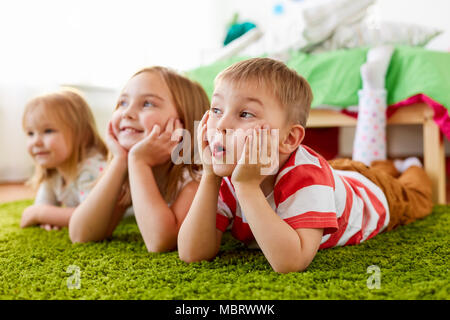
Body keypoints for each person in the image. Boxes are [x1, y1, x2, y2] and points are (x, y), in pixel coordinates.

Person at [177, 57, 433, 273]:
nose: (220, 125)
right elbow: (192, 253)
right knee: (365, 166)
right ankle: (382, 165)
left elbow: (291, 262)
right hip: (337, 174)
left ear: (288, 138)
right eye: (217, 109)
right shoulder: (227, 170)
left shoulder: (307, 178)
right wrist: (210, 175)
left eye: (245, 114)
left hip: (373, 193)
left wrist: (247, 187)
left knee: (415, 192)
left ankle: (410, 165)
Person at [68, 66, 209, 253]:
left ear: (183, 122)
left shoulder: (196, 179)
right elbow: (81, 234)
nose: (127, 113)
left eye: (147, 104)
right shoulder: (127, 169)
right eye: (123, 103)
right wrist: (120, 160)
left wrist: (138, 162)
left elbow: (160, 242)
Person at [20, 89, 107, 231]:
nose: (36, 141)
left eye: (48, 131)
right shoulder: (54, 169)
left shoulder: (92, 169)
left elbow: (92, 217)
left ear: (83, 136)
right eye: (30, 133)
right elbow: (43, 204)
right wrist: (46, 214)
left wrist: (40, 214)